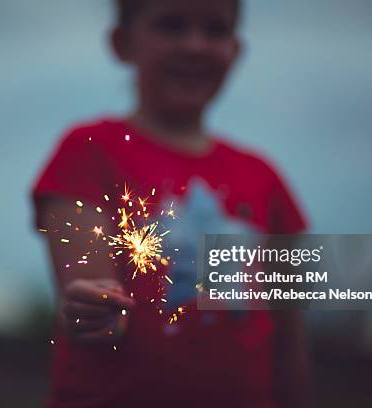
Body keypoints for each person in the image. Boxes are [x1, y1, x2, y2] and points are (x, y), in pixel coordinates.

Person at [31, 0, 309, 406]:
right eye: (171, 25)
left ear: (236, 50)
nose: (195, 45)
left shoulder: (265, 179)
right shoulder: (87, 152)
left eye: (215, 30)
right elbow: (87, 294)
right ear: (122, 43)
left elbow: (290, 343)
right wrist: (94, 311)